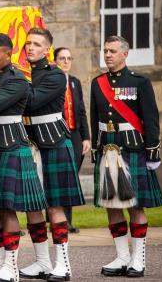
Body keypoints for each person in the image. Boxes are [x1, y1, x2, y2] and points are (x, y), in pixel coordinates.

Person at [90, 35, 162, 278]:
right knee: (112, 205)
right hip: (107, 148)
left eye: (112, 51)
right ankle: (122, 256)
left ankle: (138, 259)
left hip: (132, 149)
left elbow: (152, 120)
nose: (108, 55)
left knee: (135, 205)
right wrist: (95, 148)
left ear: (125, 54)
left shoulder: (139, 82)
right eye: (105, 51)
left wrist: (152, 151)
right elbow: (95, 119)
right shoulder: (97, 83)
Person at [0, 33, 48, 282]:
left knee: (8, 210)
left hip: (11, 147)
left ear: (8, 54)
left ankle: (10, 266)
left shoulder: (18, 80)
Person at [20, 28, 85, 282]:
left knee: (55, 207)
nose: (30, 48)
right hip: (29, 142)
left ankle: (63, 265)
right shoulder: (23, 73)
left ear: (47, 49)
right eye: (28, 43)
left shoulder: (56, 75)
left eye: (36, 44)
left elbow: (32, 100)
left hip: (54, 142)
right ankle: (42, 262)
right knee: (33, 206)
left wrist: (10, 87)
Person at [54, 47, 91, 234]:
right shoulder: (51, 81)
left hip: (75, 135)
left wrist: (86, 137)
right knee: (57, 178)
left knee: (71, 178)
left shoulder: (75, 82)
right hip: (57, 134)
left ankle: (67, 221)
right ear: (55, 60)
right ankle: (56, 221)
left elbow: (82, 111)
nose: (66, 61)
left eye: (69, 58)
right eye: (62, 58)